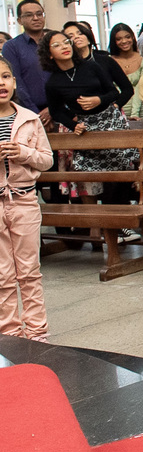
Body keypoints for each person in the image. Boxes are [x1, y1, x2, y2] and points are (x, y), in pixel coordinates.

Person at [40, 30, 137, 189]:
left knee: (121, 171)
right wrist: (73, 125)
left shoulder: (91, 66)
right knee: (88, 177)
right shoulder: (53, 82)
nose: (65, 47)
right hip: (85, 126)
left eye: (66, 42)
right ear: (49, 54)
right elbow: (56, 110)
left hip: (110, 120)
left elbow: (114, 92)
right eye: (57, 45)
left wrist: (98, 100)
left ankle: (120, 206)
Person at [0, 55, 53, 341]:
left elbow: (46, 160)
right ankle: (10, 336)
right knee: (2, 276)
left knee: (29, 272)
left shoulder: (29, 119)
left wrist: (23, 154)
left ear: (14, 81)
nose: (1, 83)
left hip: (23, 202)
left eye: (5, 76)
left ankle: (37, 335)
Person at [4, 0, 51, 124]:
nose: (36, 18)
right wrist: (36, 115)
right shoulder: (11, 46)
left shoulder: (54, 42)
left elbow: (66, 76)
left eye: (39, 14)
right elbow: (16, 81)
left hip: (59, 111)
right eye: (29, 15)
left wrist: (53, 110)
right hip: (27, 113)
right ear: (19, 20)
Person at [107, 23, 143, 122]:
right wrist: (116, 108)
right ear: (114, 41)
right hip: (117, 110)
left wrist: (134, 113)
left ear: (133, 38)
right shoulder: (108, 61)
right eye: (119, 39)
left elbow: (141, 86)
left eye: (127, 37)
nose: (124, 41)